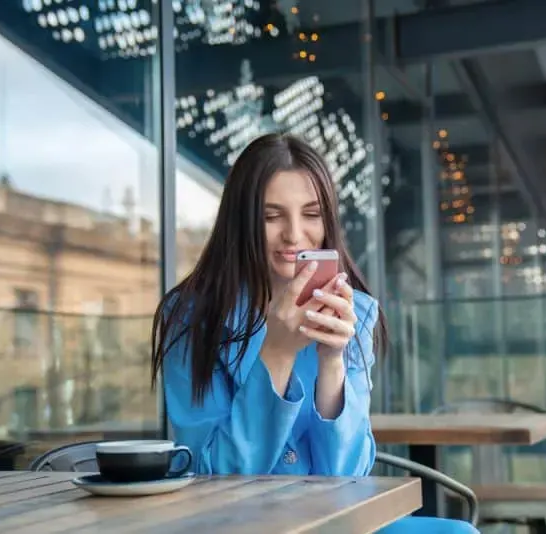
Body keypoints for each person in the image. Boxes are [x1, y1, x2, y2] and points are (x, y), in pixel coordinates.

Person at [151, 133, 478, 534]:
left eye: (311, 214)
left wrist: (332, 361)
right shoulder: (191, 317)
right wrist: (277, 352)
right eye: (271, 217)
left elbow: (350, 474)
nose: (294, 234)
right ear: (240, 222)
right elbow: (212, 477)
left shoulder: (352, 312)